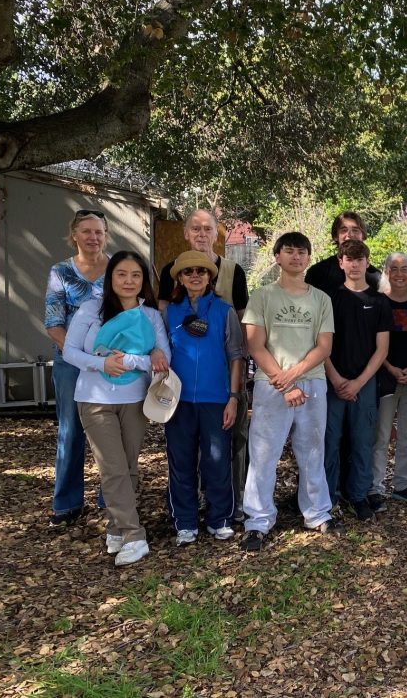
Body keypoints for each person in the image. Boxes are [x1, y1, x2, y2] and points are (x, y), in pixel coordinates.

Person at [63, 251, 169, 566]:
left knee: (129, 466)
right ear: (110, 277)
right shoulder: (91, 309)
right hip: (95, 400)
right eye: (121, 274)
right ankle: (134, 535)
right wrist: (101, 363)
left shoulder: (150, 315)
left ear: (143, 281)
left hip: (135, 400)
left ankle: (116, 527)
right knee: (112, 467)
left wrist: (128, 360)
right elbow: (69, 351)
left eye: (135, 275)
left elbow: (163, 358)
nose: (128, 281)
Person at [239, 232, 341, 552]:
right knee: (263, 454)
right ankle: (257, 520)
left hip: (311, 383)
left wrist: (293, 378)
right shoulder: (262, 296)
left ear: (309, 258)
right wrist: (283, 382)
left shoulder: (321, 299)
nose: (296, 257)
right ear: (277, 256)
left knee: (312, 450)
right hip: (271, 386)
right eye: (289, 252)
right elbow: (255, 345)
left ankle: (317, 513)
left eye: (302, 252)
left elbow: (324, 346)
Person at [157, 209, 251, 522]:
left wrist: (235, 395)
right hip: (179, 396)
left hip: (219, 391)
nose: (201, 233)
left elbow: (238, 341)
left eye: (207, 228)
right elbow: (160, 341)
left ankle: (225, 512)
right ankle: (184, 516)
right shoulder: (170, 307)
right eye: (194, 228)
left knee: (223, 453)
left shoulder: (231, 281)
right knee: (181, 458)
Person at [44, 209, 110, 527]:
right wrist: (78, 354)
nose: (93, 237)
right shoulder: (61, 272)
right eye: (86, 231)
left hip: (112, 364)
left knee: (111, 432)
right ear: (75, 235)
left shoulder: (118, 270)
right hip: (70, 362)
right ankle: (67, 503)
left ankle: (110, 499)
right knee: (71, 431)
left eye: (98, 231)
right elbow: (54, 322)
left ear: (106, 235)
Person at [324, 239, 391, 521]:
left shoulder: (379, 301)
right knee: (330, 442)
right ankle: (326, 497)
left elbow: (382, 349)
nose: (354, 264)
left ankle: (359, 495)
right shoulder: (328, 299)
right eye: (348, 259)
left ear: (367, 262)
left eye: (359, 259)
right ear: (341, 263)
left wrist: (359, 382)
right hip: (331, 383)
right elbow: (321, 344)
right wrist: (337, 378)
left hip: (365, 384)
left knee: (363, 441)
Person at [371, 252, 407, 508]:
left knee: (406, 435)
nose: (400, 273)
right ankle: (375, 487)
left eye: (405, 268)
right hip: (385, 377)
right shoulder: (377, 302)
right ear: (386, 272)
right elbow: (373, 345)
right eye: (394, 268)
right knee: (381, 435)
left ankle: (403, 485)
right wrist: (392, 369)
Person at [304, 211, 381, 295]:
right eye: (344, 230)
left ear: (363, 236)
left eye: (355, 230)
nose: (350, 235)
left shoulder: (376, 278)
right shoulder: (317, 273)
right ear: (335, 236)